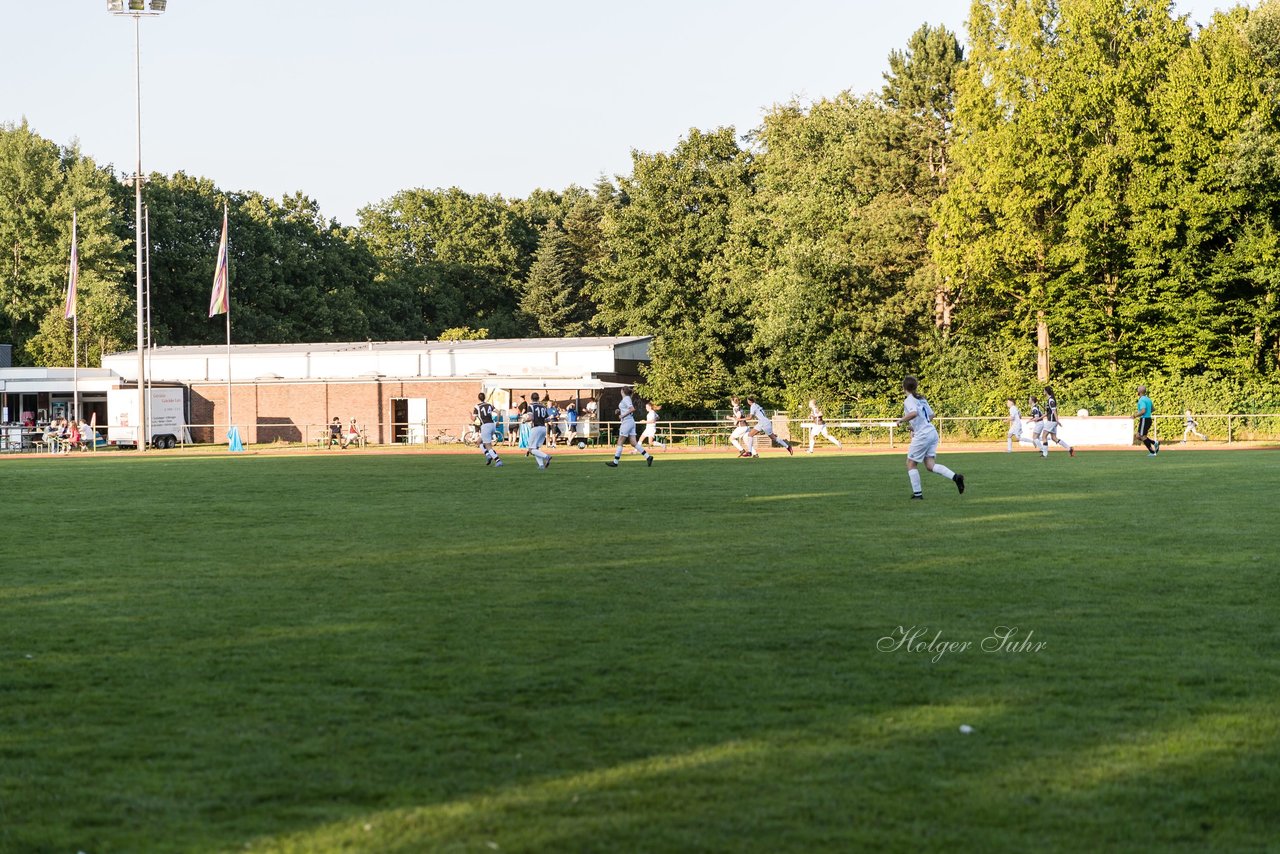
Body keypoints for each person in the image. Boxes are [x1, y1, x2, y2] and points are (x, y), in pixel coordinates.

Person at [896, 376, 964, 500]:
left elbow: (914, 413)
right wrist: (915, 427)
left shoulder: (909, 400)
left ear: (904, 387)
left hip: (923, 434)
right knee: (930, 465)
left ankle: (918, 494)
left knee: (910, 463)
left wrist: (901, 420)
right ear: (915, 386)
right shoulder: (921, 398)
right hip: (931, 432)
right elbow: (931, 415)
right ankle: (956, 477)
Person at [605, 386, 653, 468]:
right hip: (630, 421)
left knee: (620, 441)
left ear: (622, 391)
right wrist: (619, 411)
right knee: (633, 442)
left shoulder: (626, 398)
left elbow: (632, 409)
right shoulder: (626, 399)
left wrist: (622, 415)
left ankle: (615, 462)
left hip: (627, 422)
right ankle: (648, 457)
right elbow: (628, 409)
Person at [1040, 386, 1075, 457]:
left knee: (1044, 436)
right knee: (1054, 438)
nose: (1043, 391)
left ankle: (1044, 454)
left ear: (1046, 391)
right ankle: (1069, 449)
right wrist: (1041, 417)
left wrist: (1057, 420)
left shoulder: (1051, 400)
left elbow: (1054, 410)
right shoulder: (1049, 399)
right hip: (1052, 421)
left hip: (1051, 421)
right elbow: (1048, 412)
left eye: (1044, 390)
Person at [473, 392, 504, 467]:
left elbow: (474, 419)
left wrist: (470, 415)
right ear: (485, 397)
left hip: (485, 426)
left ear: (478, 398)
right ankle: (488, 455)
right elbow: (498, 411)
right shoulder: (489, 405)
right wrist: (498, 421)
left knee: (488, 446)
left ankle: (498, 461)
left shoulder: (477, 406)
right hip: (492, 425)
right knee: (479, 441)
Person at [525, 392, 553, 469]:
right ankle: (541, 465)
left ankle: (546, 456)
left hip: (536, 428)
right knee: (536, 448)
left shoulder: (530, 406)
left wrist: (524, 420)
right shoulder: (543, 407)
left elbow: (531, 418)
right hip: (543, 428)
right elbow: (547, 419)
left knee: (530, 449)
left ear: (531, 398)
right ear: (538, 398)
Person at [1135, 385, 1159, 456]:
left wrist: (1135, 415)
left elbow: (1143, 411)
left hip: (1144, 419)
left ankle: (1152, 452)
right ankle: (1154, 443)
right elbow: (1153, 409)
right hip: (1148, 419)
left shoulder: (1141, 400)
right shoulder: (1148, 399)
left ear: (1139, 391)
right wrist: (1148, 413)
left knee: (1142, 436)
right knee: (1138, 436)